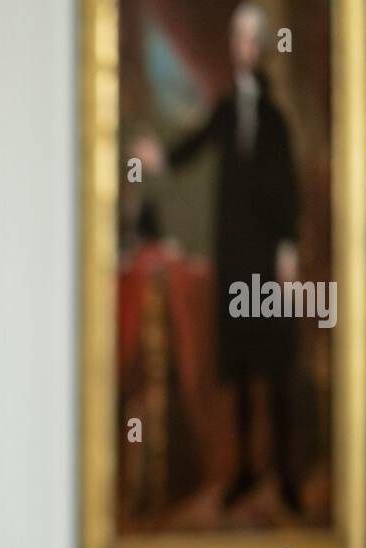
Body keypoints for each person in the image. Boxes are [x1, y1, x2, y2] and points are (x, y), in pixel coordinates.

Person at [135, 2, 302, 512]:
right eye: (235, 38)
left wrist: (288, 252)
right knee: (241, 368)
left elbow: (287, 191)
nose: (240, 48)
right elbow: (194, 146)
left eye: (249, 38)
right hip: (235, 259)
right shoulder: (227, 111)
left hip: (270, 263)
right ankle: (246, 473)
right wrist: (157, 158)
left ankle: (286, 477)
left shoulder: (274, 119)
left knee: (275, 371)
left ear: (263, 47)